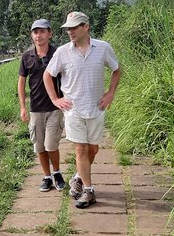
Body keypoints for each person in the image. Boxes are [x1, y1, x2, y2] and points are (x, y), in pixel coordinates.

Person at [43, 11, 121, 208]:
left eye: (74, 27)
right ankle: (88, 191)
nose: (70, 31)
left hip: (96, 107)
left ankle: (78, 177)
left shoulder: (103, 48)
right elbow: (48, 75)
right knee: (80, 149)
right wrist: (55, 99)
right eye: (68, 28)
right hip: (73, 108)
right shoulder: (63, 52)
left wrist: (110, 93)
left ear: (86, 27)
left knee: (92, 149)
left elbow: (116, 70)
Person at [18, 18, 65, 192]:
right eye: (35, 32)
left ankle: (57, 172)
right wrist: (23, 106)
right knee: (39, 146)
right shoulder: (27, 56)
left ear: (50, 34)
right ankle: (47, 176)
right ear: (32, 35)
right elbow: (21, 82)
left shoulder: (58, 54)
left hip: (54, 107)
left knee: (51, 144)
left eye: (42, 31)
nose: (39, 35)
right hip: (36, 108)